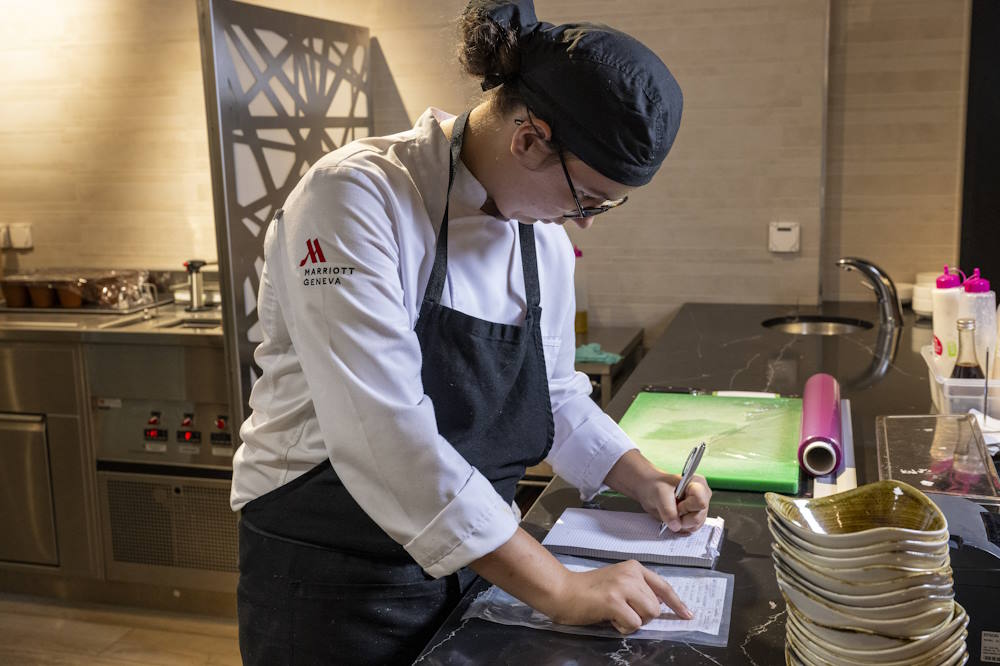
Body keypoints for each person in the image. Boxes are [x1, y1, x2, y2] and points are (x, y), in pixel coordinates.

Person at [231, 1, 711, 663]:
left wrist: (643, 478)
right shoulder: (354, 198)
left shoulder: (540, 240)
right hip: (333, 565)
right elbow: (382, 435)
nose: (584, 222)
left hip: (480, 553)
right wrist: (559, 588)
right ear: (529, 140)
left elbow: (554, 395)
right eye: (586, 200)